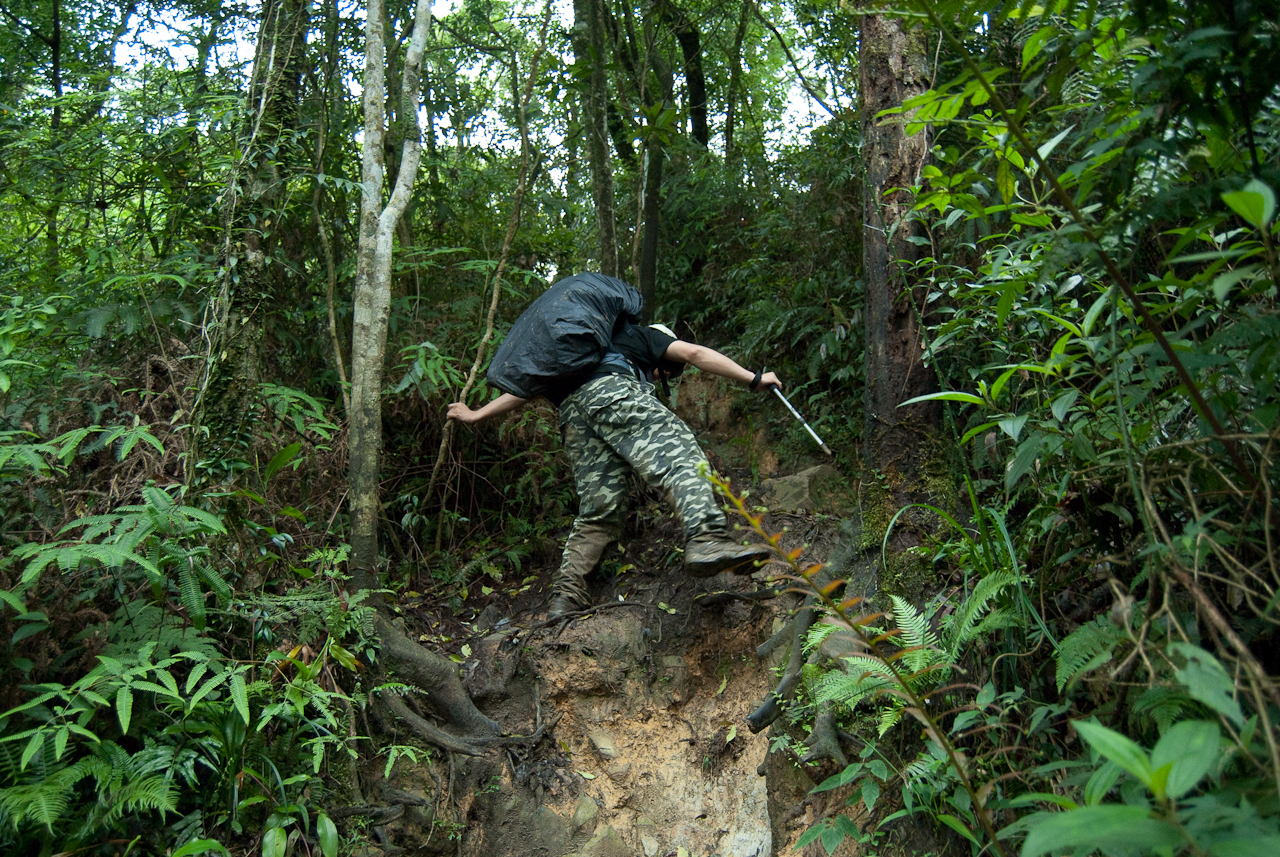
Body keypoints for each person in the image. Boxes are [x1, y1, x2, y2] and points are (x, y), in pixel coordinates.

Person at [447, 319, 782, 618]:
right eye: (667, 370)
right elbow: (694, 353)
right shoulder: (642, 336)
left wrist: (477, 414)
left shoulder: (580, 353)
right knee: (678, 451)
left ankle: (567, 596)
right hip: (612, 392)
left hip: (573, 417)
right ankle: (708, 538)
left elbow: (528, 390)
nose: (659, 376)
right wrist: (753, 378)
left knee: (600, 509)